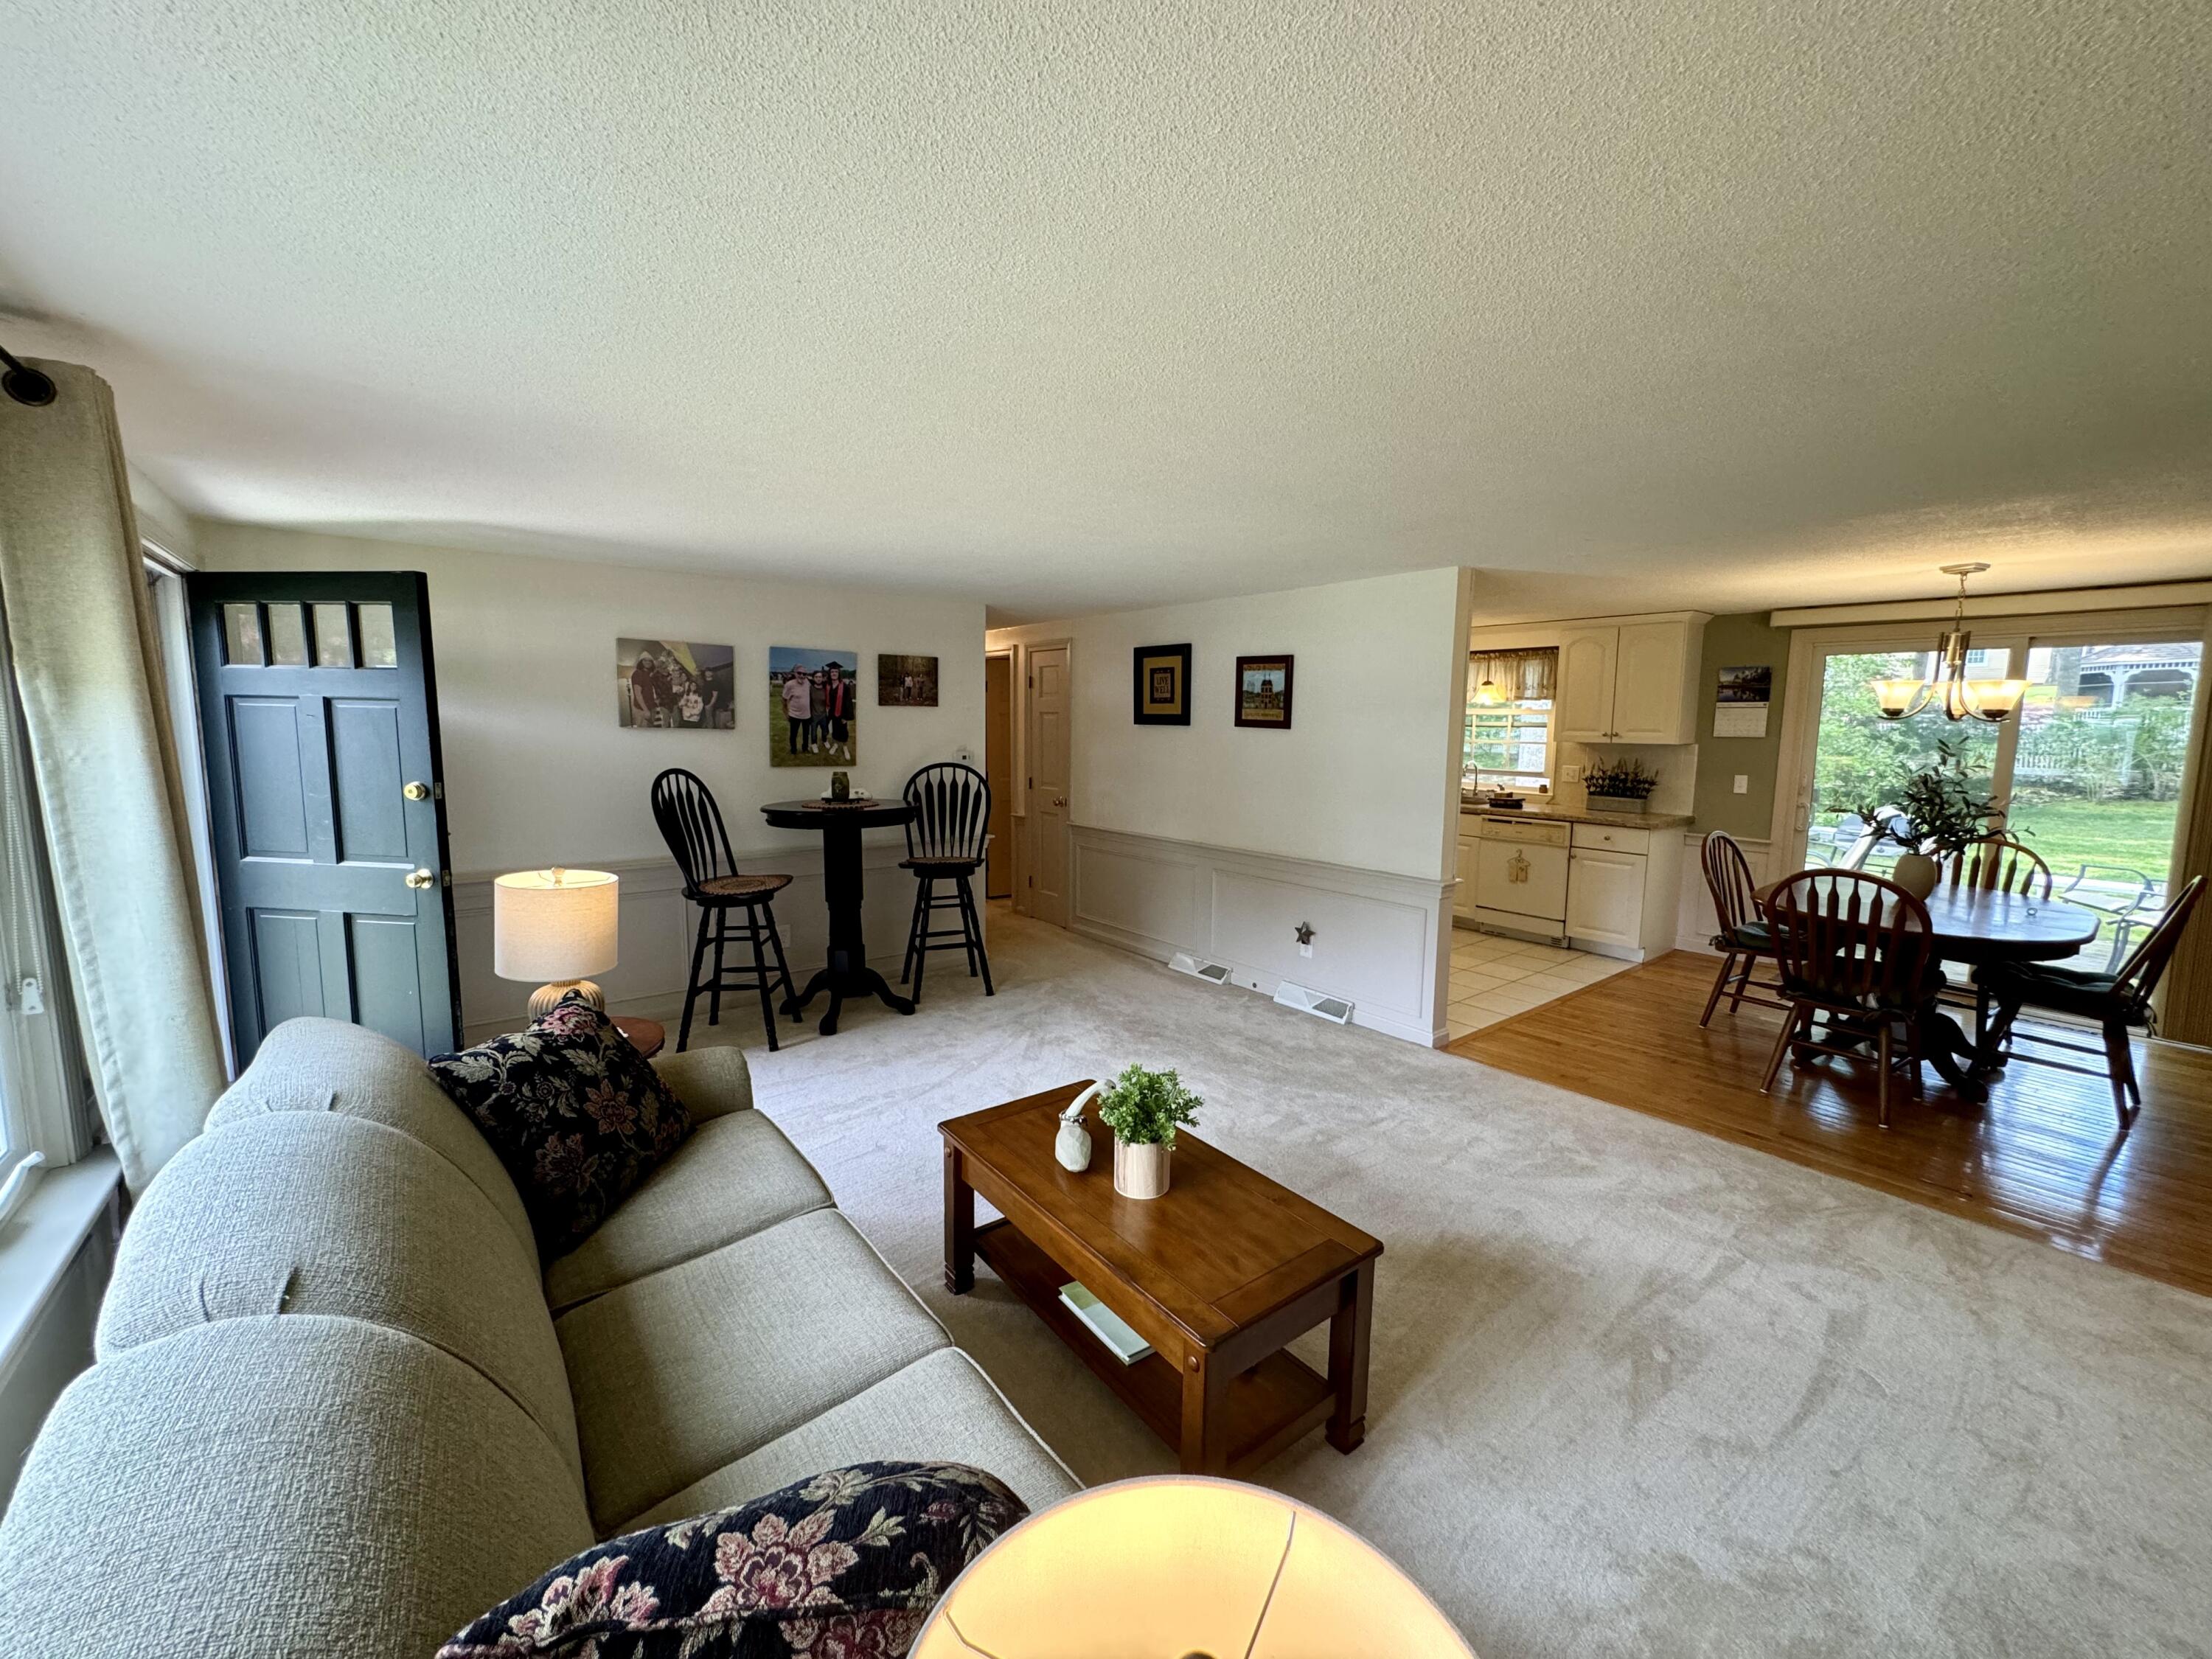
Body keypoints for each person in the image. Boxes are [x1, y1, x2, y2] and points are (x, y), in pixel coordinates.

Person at [823, 661, 853, 760]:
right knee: (834, 729)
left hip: (842, 712)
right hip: (831, 712)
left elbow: (848, 702)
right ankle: (835, 744)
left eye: (836, 672)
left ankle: (845, 747)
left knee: (843, 731)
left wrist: (846, 716)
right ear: (829, 674)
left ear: (839, 673)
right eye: (832, 672)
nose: (834, 673)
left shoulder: (845, 687)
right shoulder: (827, 686)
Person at [781, 665, 812, 756]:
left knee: (806, 735)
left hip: (807, 715)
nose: (802, 676)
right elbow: (784, 700)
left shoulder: (807, 682)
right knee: (793, 735)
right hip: (794, 715)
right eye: (799, 673)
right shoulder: (789, 685)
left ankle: (805, 748)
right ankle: (793, 750)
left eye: (804, 674)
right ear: (795, 673)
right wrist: (786, 714)